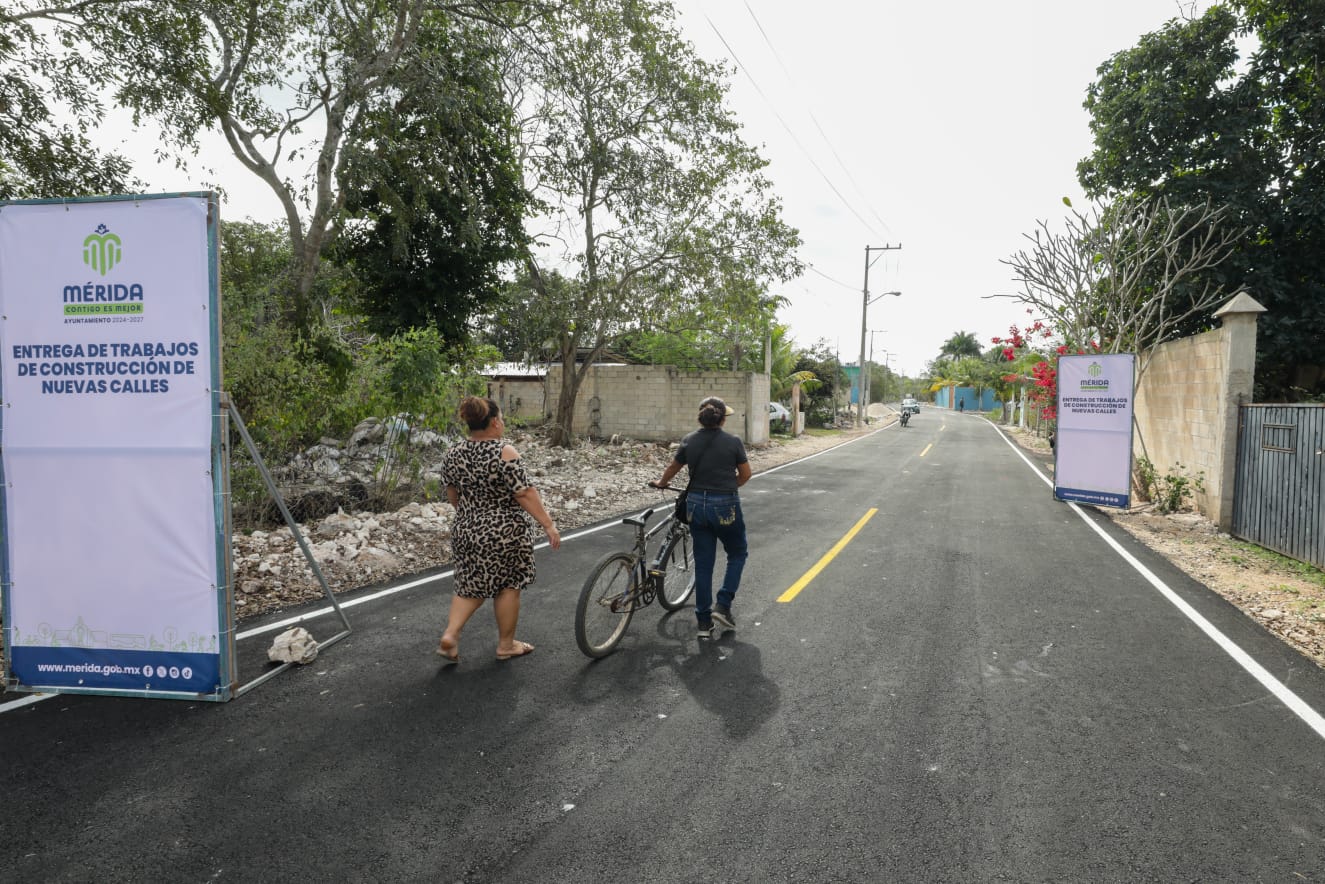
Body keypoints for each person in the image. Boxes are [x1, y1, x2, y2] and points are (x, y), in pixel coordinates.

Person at [436, 396, 560, 663]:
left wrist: (471, 516)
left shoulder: (453, 452)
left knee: (469, 584)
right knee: (508, 586)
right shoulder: (504, 451)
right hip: (505, 532)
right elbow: (524, 493)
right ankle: (506, 645)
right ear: (494, 422)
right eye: (501, 418)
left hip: (465, 529)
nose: (502, 423)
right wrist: (548, 525)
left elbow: (452, 494)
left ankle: (451, 635)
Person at [654, 396, 752, 638]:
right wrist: (728, 487)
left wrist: (662, 483)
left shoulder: (689, 440)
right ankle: (723, 604)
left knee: (704, 562)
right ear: (722, 419)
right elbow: (745, 474)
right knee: (737, 553)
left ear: (701, 417)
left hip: (696, 506)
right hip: (725, 504)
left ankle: (703, 624)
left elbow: (672, 468)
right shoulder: (733, 442)